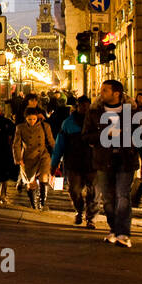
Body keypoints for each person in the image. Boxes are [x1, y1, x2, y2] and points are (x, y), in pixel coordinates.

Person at [84, 79, 142, 247]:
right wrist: (105, 134)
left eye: (105, 90)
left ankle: (123, 233)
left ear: (116, 93)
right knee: (108, 198)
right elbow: (86, 136)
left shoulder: (132, 112)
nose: (101, 93)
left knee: (122, 195)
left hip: (126, 159)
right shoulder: (94, 112)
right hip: (103, 160)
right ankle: (114, 228)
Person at [52, 96, 96, 227]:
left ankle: (90, 218)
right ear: (77, 106)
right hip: (73, 163)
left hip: (93, 162)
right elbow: (60, 144)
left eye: (87, 105)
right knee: (74, 190)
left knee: (94, 192)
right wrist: (54, 163)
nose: (85, 108)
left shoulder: (97, 122)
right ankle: (79, 210)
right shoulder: (68, 123)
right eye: (82, 105)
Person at [13, 107, 55, 210]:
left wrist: (58, 155)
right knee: (31, 183)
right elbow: (16, 144)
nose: (32, 121)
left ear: (37, 117)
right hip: (28, 157)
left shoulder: (45, 126)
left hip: (43, 155)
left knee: (44, 177)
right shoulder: (20, 128)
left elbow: (51, 141)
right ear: (25, 118)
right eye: (29, 119)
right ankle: (34, 205)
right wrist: (18, 158)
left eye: (34, 119)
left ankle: (42, 203)